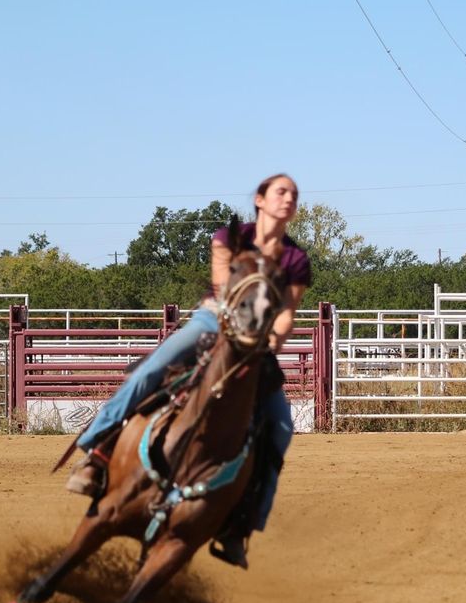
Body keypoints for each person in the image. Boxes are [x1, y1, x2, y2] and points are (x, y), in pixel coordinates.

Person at [65, 173, 311, 546]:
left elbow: (287, 313)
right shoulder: (229, 237)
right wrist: (239, 330)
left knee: (279, 427)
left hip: (258, 340)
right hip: (214, 321)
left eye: (294, 194)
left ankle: (242, 523)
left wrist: (270, 343)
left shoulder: (295, 259)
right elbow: (222, 290)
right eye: (281, 191)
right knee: (150, 370)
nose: (288, 198)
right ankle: (96, 448)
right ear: (259, 199)